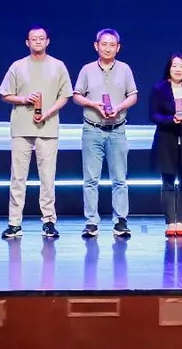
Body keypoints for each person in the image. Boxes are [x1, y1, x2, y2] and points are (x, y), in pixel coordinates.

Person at [0, 26, 73, 239]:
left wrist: (48, 112)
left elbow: (65, 95)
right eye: (34, 39)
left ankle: (49, 220)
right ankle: (14, 222)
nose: (38, 41)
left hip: (47, 128)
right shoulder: (17, 66)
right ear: (27, 42)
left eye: (41, 38)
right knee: (17, 177)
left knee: (47, 177)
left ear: (47, 41)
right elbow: (4, 94)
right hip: (21, 128)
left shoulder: (58, 66)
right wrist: (23, 99)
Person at [72, 28, 139, 239]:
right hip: (92, 129)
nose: (108, 48)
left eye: (112, 45)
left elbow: (133, 96)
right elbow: (76, 95)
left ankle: (120, 221)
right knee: (90, 179)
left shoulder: (125, 69)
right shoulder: (87, 69)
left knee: (119, 179)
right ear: (96, 46)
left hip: (117, 130)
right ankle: (91, 222)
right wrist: (93, 104)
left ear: (118, 48)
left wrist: (119, 107)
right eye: (104, 44)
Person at [149, 53, 182, 237]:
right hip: (166, 139)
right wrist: (170, 119)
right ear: (169, 68)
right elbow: (153, 115)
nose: (178, 69)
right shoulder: (159, 88)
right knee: (168, 182)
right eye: (174, 66)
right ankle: (170, 222)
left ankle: (181, 222)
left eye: (181, 66)